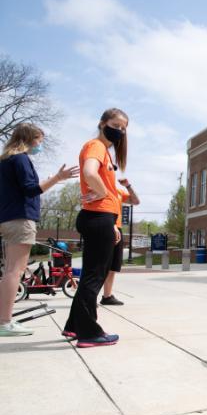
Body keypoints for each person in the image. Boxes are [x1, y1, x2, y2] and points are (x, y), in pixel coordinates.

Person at [0, 123, 79, 336]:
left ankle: (3, 320)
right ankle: (4, 322)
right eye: (39, 140)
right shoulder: (21, 159)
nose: (39, 145)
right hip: (20, 219)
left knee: (10, 270)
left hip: (8, 218)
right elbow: (31, 189)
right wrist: (57, 178)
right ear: (29, 138)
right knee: (15, 271)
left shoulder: (6, 160)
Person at [62, 108, 129, 347]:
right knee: (94, 277)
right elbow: (89, 172)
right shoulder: (96, 146)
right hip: (98, 216)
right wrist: (102, 192)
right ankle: (89, 333)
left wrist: (111, 222)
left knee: (92, 275)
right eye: (116, 124)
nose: (120, 130)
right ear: (102, 124)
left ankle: (73, 326)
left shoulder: (106, 152)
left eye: (124, 128)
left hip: (102, 218)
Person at [100, 178, 140, 306]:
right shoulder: (99, 187)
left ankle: (107, 296)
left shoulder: (118, 191)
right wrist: (111, 224)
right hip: (105, 226)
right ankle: (89, 297)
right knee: (100, 265)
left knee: (113, 266)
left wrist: (128, 185)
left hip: (117, 228)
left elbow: (136, 201)